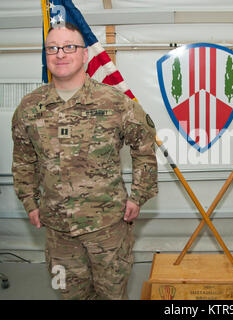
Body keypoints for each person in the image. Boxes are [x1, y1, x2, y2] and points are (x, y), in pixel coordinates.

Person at [11, 22, 158, 299]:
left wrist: (138, 196)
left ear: (85, 55)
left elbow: (145, 149)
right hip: (57, 231)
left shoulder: (116, 103)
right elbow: (23, 159)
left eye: (69, 47)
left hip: (108, 229)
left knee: (112, 296)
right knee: (68, 295)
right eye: (52, 48)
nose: (60, 54)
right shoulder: (30, 108)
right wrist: (29, 202)